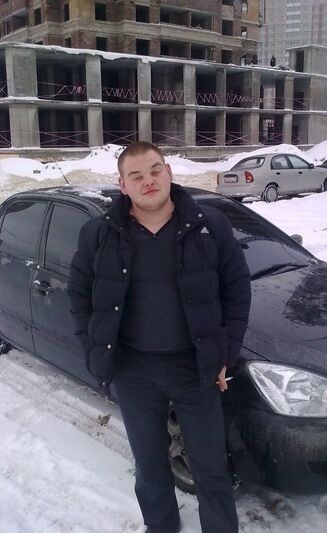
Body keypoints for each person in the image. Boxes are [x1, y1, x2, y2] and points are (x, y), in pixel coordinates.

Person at [67, 141, 251, 533]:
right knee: (150, 468)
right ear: (122, 185)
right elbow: (79, 296)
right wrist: (93, 350)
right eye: (135, 176)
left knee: (211, 468)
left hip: (195, 368)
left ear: (169, 172)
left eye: (154, 170)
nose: (147, 181)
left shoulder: (209, 225)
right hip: (133, 371)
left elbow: (237, 290)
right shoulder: (99, 233)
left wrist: (225, 355)